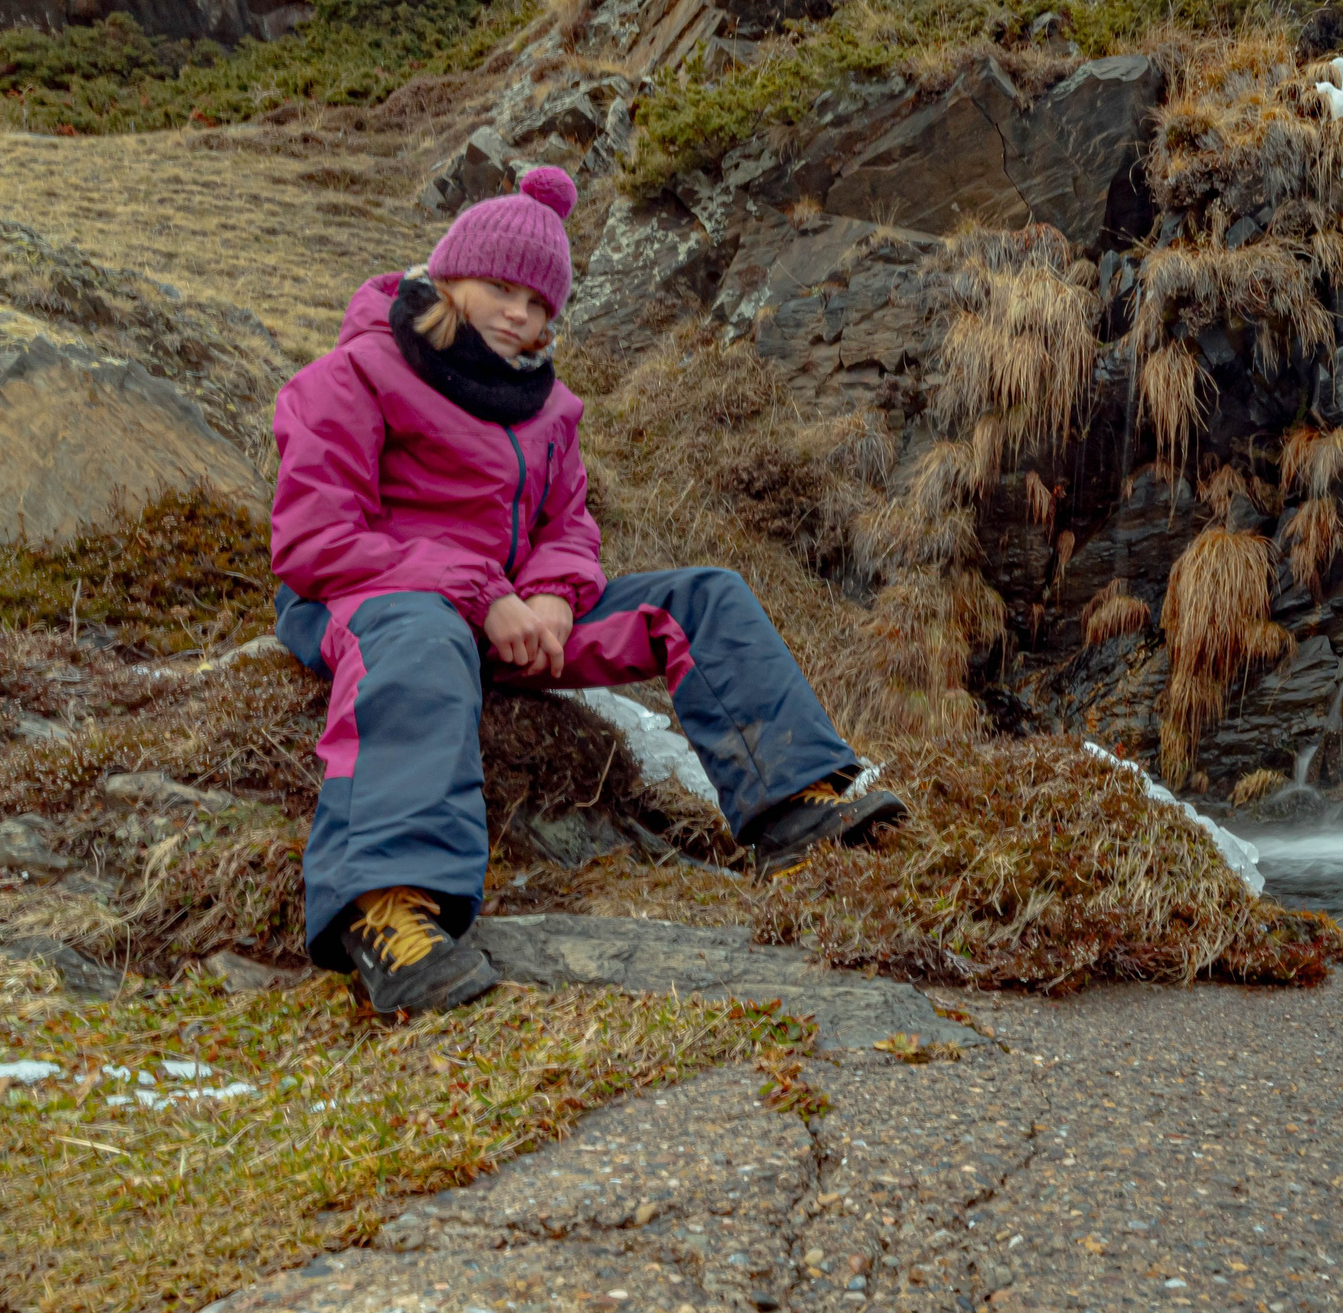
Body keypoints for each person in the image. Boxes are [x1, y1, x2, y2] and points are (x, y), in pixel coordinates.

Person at [269, 165, 903, 1018]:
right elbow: (314, 540)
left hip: (506, 617)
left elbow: (567, 527)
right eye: (499, 287)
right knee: (422, 639)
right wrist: (482, 595)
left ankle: (791, 807)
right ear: (446, 274)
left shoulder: (549, 410)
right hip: (374, 600)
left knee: (701, 596)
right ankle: (386, 914)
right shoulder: (352, 375)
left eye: (540, 304)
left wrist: (555, 601)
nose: (519, 314)